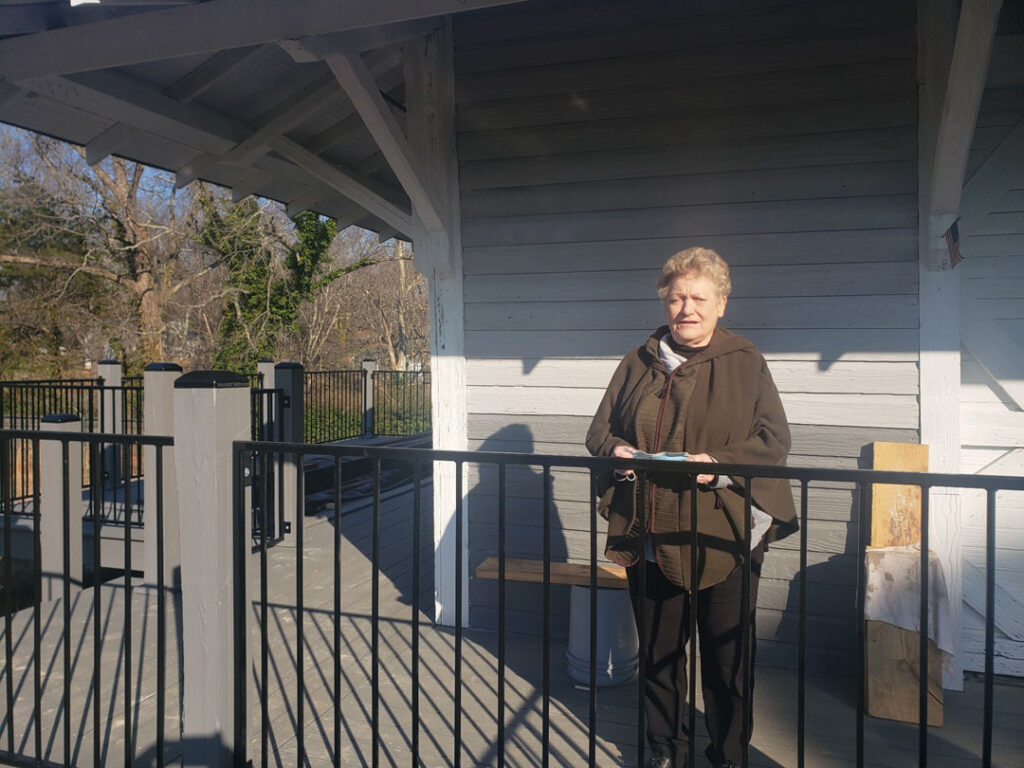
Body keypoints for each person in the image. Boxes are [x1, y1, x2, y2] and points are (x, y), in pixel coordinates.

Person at [585, 247, 797, 768]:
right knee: (659, 656)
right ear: (664, 301)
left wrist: (717, 461)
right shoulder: (637, 362)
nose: (687, 308)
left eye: (699, 297)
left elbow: (773, 440)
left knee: (729, 661)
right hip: (652, 533)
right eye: (676, 297)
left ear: (721, 303)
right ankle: (665, 750)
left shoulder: (745, 362)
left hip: (723, 537)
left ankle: (728, 755)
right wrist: (619, 453)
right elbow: (598, 433)